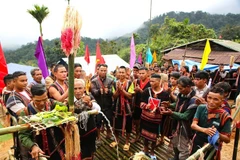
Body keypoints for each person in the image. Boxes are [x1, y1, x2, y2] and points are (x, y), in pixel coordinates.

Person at [18, 84, 66, 160]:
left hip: (57, 149)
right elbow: (23, 135)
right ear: (31, 97)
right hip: (38, 152)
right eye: (38, 101)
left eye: (44, 99)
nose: (42, 103)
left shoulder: (53, 105)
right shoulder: (26, 112)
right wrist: (32, 146)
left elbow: (66, 109)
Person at [190, 87, 232, 160]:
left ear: (222, 102)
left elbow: (227, 139)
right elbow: (193, 125)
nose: (211, 101)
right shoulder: (201, 108)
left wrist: (217, 134)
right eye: (209, 98)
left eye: (215, 99)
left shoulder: (225, 116)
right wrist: (205, 130)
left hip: (212, 147)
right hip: (197, 142)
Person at [162, 76, 198, 160]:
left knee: (183, 147)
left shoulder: (194, 100)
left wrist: (171, 113)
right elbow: (177, 104)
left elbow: (186, 116)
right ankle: (176, 157)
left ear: (188, 87)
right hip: (176, 124)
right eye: (179, 88)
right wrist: (169, 105)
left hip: (185, 127)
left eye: (181, 88)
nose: (180, 90)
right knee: (175, 143)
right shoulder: (181, 94)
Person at [140, 74, 169, 159]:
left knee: (154, 137)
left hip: (156, 120)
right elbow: (141, 103)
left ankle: (152, 152)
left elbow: (164, 108)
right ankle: (145, 149)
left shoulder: (165, 94)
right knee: (145, 135)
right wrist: (146, 106)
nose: (151, 83)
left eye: (153, 81)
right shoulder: (146, 91)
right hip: (145, 118)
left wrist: (158, 109)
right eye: (150, 81)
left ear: (159, 82)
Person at [74, 79, 100, 160]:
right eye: (75, 89)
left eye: (80, 88)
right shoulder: (69, 100)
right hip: (75, 132)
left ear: (84, 88)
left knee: (89, 153)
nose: (78, 91)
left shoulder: (89, 97)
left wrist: (90, 104)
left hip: (89, 130)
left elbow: (98, 109)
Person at [110, 66, 134, 151]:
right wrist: (118, 90)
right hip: (117, 107)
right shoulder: (114, 83)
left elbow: (131, 96)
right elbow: (114, 96)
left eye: (122, 72)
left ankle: (127, 142)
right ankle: (117, 139)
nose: (121, 74)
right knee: (115, 124)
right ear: (117, 73)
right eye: (119, 72)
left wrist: (122, 91)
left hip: (127, 108)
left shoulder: (130, 83)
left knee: (128, 126)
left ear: (126, 73)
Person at [91, 64, 114, 144]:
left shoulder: (110, 80)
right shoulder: (94, 81)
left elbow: (113, 92)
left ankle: (109, 134)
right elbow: (93, 92)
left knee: (109, 121)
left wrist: (109, 92)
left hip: (108, 104)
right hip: (98, 105)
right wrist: (99, 92)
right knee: (98, 122)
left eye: (105, 70)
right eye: (102, 70)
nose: (103, 72)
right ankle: (99, 137)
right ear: (98, 70)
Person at [131, 67, 151, 143]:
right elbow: (132, 93)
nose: (141, 75)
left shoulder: (150, 83)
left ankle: (144, 137)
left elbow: (150, 96)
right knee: (136, 121)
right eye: (140, 73)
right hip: (136, 104)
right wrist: (135, 91)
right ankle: (137, 136)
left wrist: (140, 90)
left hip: (146, 105)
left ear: (147, 73)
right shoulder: (137, 81)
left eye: (143, 73)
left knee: (145, 122)